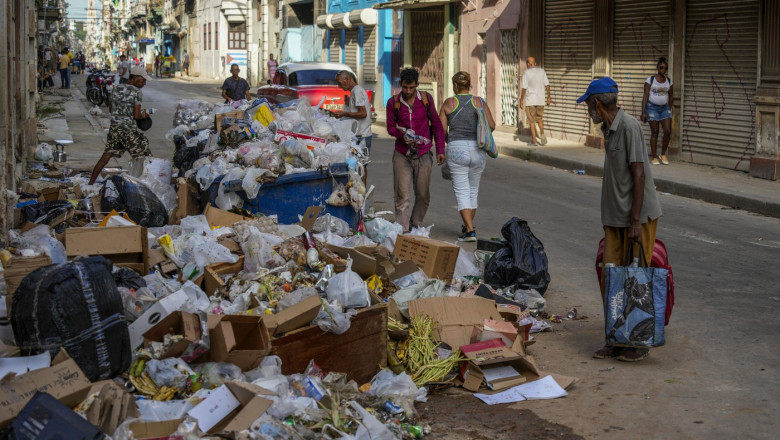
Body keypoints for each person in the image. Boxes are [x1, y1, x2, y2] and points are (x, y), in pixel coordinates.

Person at [576, 77, 662, 363]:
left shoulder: (629, 127)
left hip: (635, 218)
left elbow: (638, 173)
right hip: (615, 219)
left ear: (598, 103)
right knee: (611, 279)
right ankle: (615, 337)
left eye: (589, 102)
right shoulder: (610, 129)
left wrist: (635, 221)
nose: (587, 107)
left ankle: (637, 343)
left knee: (635, 281)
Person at [385, 68, 446, 233]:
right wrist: (401, 134)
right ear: (400, 85)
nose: (408, 91)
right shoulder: (393, 103)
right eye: (405, 87)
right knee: (402, 195)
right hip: (401, 154)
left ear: (417, 85)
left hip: (423, 153)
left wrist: (441, 149)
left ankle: (415, 224)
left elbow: (437, 125)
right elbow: (390, 128)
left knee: (423, 195)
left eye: (411, 88)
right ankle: (403, 229)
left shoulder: (426, 99)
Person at [438, 71, 495, 242]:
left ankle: (470, 231)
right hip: (478, 149)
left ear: (455, 85)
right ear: (469, 85)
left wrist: (444, 146)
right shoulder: (479, 102)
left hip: (457, 149)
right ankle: (468, 227)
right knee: (472, 192)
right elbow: (491, 125)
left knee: (462, 192)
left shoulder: (449, 103)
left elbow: (441, 131)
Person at [89, 66, 154, 185]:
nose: (144, 83)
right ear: (135, 77)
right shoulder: (137, 92)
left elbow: (110, 108)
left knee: (106, 157)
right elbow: (136, 115)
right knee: (147, 156)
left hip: (114, 129)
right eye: (143, 80)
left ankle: (89, 184)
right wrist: (145, 114)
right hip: (128, 130)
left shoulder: (116, 88)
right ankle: (151, 185)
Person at [334, 70, 372, 185]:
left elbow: (363, 113)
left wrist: (343, 113)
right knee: (357, 165)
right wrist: (348, 103)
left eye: (340, 83)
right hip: (358, 135)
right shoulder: (354, 92)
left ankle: (362, 195)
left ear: (348, 79)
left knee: (361, 166)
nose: (339, 86)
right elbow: (356, 111)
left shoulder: (357, 91)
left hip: (362, 135)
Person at [641, 57, 674, 165]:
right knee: (655, 132)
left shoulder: (669, 81)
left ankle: (663, 154)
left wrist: (668, 108)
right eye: (661, 67)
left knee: (668, 131)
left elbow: (671, 96)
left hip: (665, 108)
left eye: (665, 68)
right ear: (657, 68)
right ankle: (654, 156)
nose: (663, 69)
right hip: (651, 108)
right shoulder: (650, 80)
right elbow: (645, 95)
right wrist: (643, 112)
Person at [519, 56, 551, 146]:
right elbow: (547, 85)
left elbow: (524, 88)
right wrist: (549, 97)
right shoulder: (542, 71)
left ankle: (534, 140)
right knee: (539, 118)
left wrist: (521, 99)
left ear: (528, 64)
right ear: (535, 64)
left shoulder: (526, 73)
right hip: (541, 100)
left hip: (531, 101)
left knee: (531, 120)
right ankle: (542, 133)